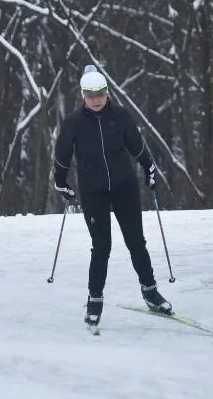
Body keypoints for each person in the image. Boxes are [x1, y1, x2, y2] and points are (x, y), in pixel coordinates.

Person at [53, 64, 173, 327]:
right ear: (83, 95)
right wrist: (60, 182)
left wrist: (150, 168)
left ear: (107, 92)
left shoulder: (120, 116)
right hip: (93, 190)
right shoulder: (74, 122)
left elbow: (137, 146)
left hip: (124, 186)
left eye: (100, 93)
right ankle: (94, 300)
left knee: (136, 241)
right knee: (101, 246)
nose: (95, 99)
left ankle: (151, 293)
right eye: (90, 95)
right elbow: (62, 155)